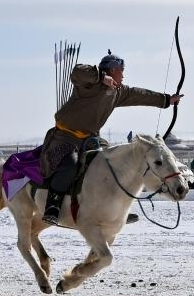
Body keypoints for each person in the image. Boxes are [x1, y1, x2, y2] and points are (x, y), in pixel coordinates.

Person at [40, 50, 183, 225]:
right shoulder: (88, 85)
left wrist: (167, 100)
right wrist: (100, 77)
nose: (123, 74)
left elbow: (140, 94)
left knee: (111, 163)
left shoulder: (118, 91)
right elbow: (77, 71)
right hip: (65, 138)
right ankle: (52, 206)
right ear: (111, 70)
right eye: (121, 70)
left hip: (91, 139)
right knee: (69, 165)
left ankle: (114, 211)